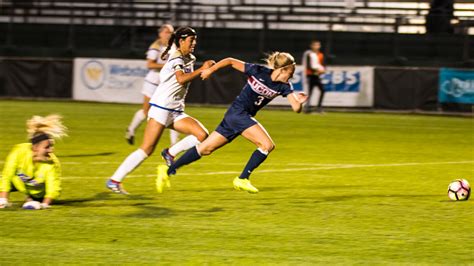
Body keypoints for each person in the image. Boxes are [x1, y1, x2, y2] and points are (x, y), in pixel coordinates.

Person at [156, 52, 308, 194]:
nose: (291, 76)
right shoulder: (258, 71)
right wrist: (211, 70)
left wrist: (299, 102)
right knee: (266, 145)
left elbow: (296, 108)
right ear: (282, 69)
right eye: (291, 72)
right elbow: (229, 61)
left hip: (238, 117)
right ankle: (242, 178)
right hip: (238, 114)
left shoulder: (284, 86)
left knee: (205, 149)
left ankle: (167, 170)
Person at [106, 27, 215, 194]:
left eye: (195, 40)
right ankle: (114, 180)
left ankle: (170, 153)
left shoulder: (190, 58)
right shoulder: (176, 58)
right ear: (181, 41)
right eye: (191, 40)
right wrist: (202, 69)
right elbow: (180, 79)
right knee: (146, 149)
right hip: (161, 108)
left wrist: (207, 70)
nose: (194, 43)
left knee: (203, 136)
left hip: (176, 110)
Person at [125, 23, 180, 146]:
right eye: (166, 32)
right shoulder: (156, 46)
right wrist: (167, 66)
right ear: (160, 34)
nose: (169, 35)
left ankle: (174, 144)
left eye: (171, 32)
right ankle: (131, 130)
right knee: (146, 111)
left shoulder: (174, 47)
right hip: (153, 83)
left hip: (166, 84)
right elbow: (150, 64)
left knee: (173, 110)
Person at [0, 115, 67, 209]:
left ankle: (30, 198)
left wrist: (44, 204)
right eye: (47, 147)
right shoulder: (19, 151)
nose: (51, 150)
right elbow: (7, 174)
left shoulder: (52, 163)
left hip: (37, 192)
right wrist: (3, 199)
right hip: (18, 183)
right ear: (35, 148)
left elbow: (53, 189)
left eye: (51, 146)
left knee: (32, 203)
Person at [302, 40, 326, 113]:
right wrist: (317, 71)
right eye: (315, 45)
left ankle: (318, 107)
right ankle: (307, 108)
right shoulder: (309, 54)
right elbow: (308, 66)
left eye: (318, 45)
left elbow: (322, 65)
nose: (316, 46)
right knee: (310, 92)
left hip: (317, 76)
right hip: (310, 75)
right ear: (311, 46)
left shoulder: (320, 55)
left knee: (322, 90)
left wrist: (322, 70)